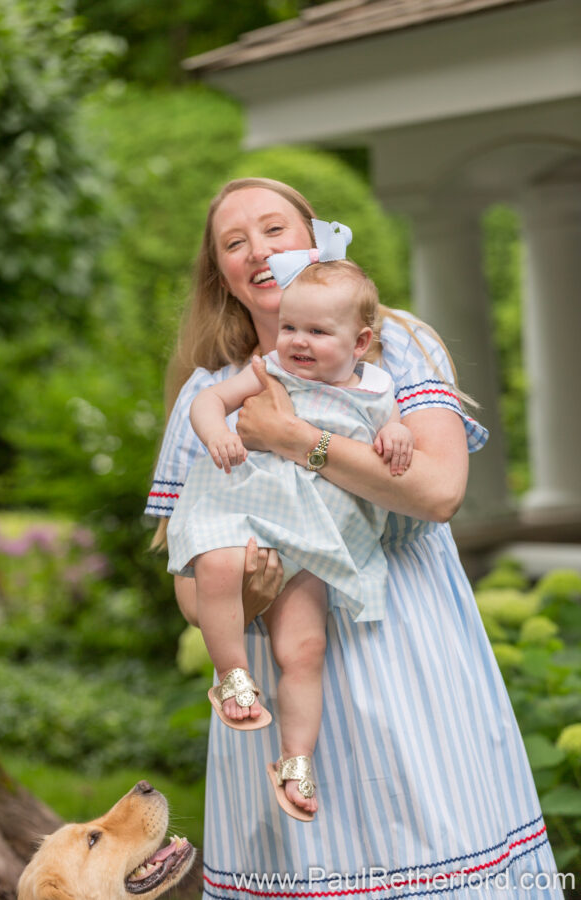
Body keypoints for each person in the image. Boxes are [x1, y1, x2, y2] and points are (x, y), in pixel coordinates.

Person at [146, 178, 562, 896]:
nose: (259, 250)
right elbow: (192, 591)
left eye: (275, 230)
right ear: (222, 277)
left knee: (435, 842)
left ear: (316, 240)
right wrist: (247, 578)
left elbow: (437, 491)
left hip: (403, 639)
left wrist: (292, 438)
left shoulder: (396, 345)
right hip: (281, 664)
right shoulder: (209, 391)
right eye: (234, 242)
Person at [166, 248, 414, 821]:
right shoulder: (268, 370)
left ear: (359, 343)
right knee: (222, 566)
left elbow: (392, 432)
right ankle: (232, 676)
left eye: (317, 331)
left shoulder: (377, 389)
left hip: (318, 538)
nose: (298, 341)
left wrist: (397, 432)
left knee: (304, 650)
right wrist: (215, 435)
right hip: (246, 506)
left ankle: (296, 763)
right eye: (290, 327)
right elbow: (207, 402)